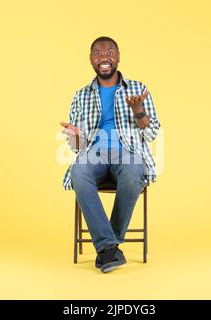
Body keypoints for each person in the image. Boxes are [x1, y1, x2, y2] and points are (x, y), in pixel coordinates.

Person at [60, 36, 161, 273]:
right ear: (91, 60)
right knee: (78, 170)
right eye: (97, 53)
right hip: (93, 153)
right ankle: (111, 247)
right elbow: (77, 147)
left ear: (118, 57)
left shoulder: (138, 89)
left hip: (128, 152)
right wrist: (75, 135)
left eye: (109, 52)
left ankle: (107, 248)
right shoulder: (81, 95)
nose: (103, 57)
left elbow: (153, 132)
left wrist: (139, 112)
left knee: (135, 171)